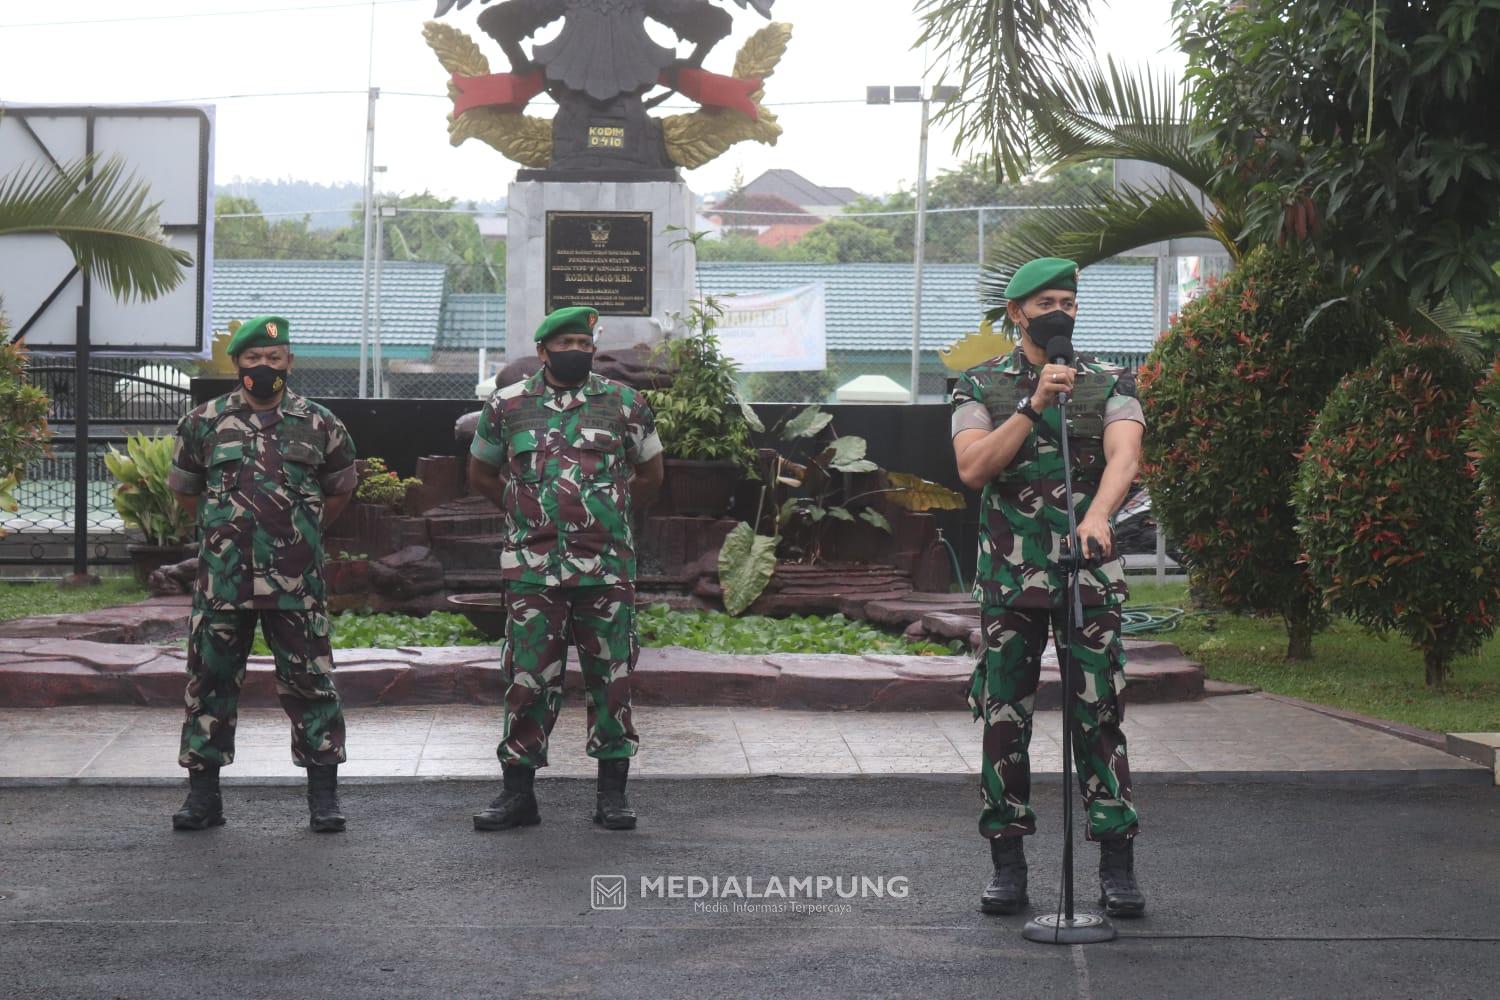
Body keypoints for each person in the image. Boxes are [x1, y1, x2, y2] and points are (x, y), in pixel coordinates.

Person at [949, 257, 1148, 917]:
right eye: (1045, 302)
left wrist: (1099, 514)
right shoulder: (980, 384)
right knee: (1005, 720)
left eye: (1068, 299)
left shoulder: (1111, 380)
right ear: (1017, 314)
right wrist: (1034, 404)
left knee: (1102, 718)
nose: (1060, 310)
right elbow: (974, 467)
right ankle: (1007, 862)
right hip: (1012, 582)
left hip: (1089, 576)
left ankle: (1116, 863)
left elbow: (1126, 453)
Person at [467, 306, 664, 832]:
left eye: (584, 340)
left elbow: (650, 473)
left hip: (605, 569)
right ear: (543, 351)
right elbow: (482, 470)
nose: (578, 349)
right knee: (529, 679)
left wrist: (610, 515)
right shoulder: (508, 404)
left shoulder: (624, 403)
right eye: (567, 341)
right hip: (534, 570)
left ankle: (613, 796)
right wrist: (521, 510)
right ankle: (518, 795)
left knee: (612, 679)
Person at [167, 316, 358, 833]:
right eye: (254, 358)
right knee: (208, 683)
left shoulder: (319, 423)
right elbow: (186, 489)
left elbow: (341, 487)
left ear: (289, 362)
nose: (264, 367)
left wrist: (306, 531)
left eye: (274, 358)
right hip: (223, 585)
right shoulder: (203, 422)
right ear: (238, 364)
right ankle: (203, 798)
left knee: (311, 684)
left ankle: (324, 797)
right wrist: (221, 532)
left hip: (295, 584)